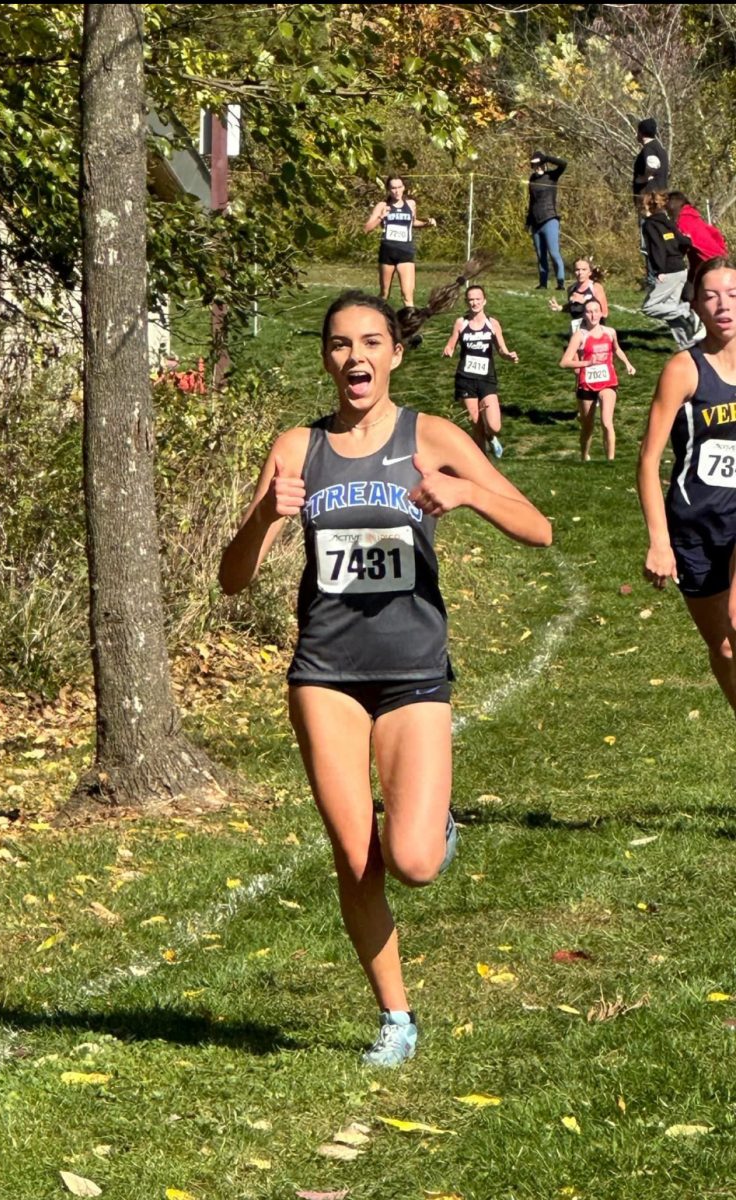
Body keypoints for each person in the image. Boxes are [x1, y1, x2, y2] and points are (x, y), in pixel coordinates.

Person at [218, 290, 552, 1067]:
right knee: (355, 855)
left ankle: (437, 829)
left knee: (413, 863)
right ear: (327, 357)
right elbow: (234, 581)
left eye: (371, 341)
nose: (356, 357)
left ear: (395, 354)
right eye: (340, 344)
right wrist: (266, 514)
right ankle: (395, 1018)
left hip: (412, 671)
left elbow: (540, 528)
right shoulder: (298, 448)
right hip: (326, 673)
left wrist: (467, 492)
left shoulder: (429, 436)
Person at [637, 257, 736, 716]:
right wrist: (659, 542)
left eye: (733, 295)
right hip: (695, 526)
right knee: (724, 648)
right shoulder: (685, 369)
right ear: (695, 303)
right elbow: (649, 458)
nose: (723, 305)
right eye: (711, 295)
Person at [442, 284, 518, 458]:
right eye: (470, 300)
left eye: (477, 299)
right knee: (476, 424)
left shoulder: (492, 323)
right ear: (466, 302)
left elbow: (501, 349)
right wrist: (448, 349)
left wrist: (508, 356)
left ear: (484, 301)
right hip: (465, 378)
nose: (474, 303)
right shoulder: (461, 323)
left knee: (494, 425)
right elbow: (452, 343)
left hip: (486, 379)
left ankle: (491, 437)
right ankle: (482, 463)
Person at [559, 297, 636, 462]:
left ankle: (611, 461)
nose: (593, 315)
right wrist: (586, 363)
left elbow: (617, 350)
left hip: (608, 382)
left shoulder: (610, 332)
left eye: (596, 311)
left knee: (607, 422)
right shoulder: (580, 336)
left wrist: (628, 363)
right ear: (584, 315)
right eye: (589, 311)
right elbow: (564, 362)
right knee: (587, 427)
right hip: (586, 385)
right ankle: (584, 456)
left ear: (601, 313)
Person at [640, 190, 702, 349]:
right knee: (671, 313)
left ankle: (687, 312)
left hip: (668, 271)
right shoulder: (667, 221)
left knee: (649, 307)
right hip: (680, 269)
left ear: (648, 206)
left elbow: (657, 248)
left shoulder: (649, 224)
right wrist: (678, 255)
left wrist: (659, 270)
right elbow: (684, 241)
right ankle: (687, 346)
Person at [363, 176, 437, 309]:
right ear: (388, 189)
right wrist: (381, 217)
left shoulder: (411, 204)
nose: (396, 191)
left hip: (405, 252)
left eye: (399, 187)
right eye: (393, 188)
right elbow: (367, 228)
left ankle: (410, 326)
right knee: (384, 294)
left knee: (408, 296)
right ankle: (380, 322)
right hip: (387, 252)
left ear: (403, 188)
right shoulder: (382, 206)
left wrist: (427, 223)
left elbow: (413, 222)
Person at [666, 192, 728, 294]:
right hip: (702, 262)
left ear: (673, 203)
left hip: (711, 262)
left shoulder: (684, 220)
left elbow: (683, 244)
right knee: (689, 293)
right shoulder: (692, 216)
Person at [633, 119, 669, 283]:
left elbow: (652, 164)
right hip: (659, 197)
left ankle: (653, 278)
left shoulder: (650, 149)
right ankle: (661, 274)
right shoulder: (660, 148)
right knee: (659, 236)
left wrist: (644, 178)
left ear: (640, 132)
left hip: (649, 199)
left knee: (648, 238)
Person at [525, 150, 566, 291]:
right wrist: (528, 221)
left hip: (550, 219)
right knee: (541, 255)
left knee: (554, 253)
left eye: (539, 165)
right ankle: (543, 283)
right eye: (534, 165)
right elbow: (531, 202)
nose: (537, 168)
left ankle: (560, 282)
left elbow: (563, 164)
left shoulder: (552, 176)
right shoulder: (532, 179)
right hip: (536, 222)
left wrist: (546, 157)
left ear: (543, 164)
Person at [549, 258, 609, 333]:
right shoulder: (571, 289)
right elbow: (573, 307)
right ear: (574, 272)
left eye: (584, 269)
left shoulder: (595, 287)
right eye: (577, 270)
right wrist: (559, 307)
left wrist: (585, 302)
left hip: (594, 331)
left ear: (590, 272)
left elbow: (604, 313)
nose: (580, 272)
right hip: (577, 330)